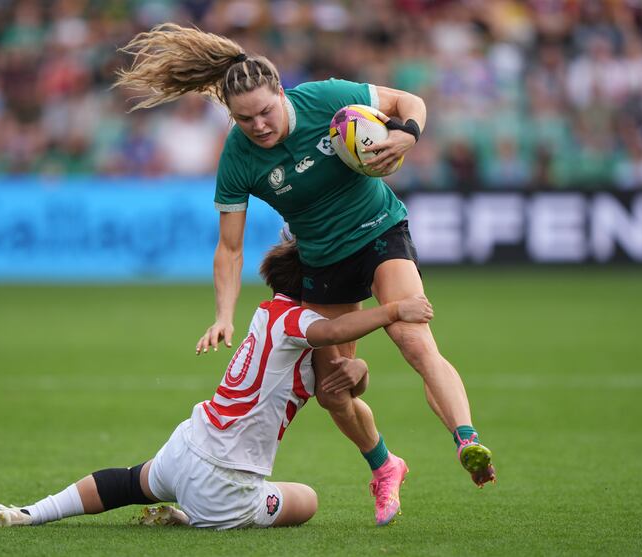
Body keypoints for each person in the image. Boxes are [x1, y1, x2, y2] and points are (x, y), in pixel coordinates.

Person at [113, 24, 495, 488]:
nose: (258, 126)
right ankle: (384, 465)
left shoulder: (324, 98)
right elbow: (230, 248)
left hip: (379, 230)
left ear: (281, 91)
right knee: (333, 389)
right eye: (244, 119)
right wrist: (223, 315)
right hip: (321, 258)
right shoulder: (237, 157)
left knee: (412, 338)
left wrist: (408, 135)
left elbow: (407, 103)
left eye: (264, 112)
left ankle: (466, 439)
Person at [0, 241, 434, 530]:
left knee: (127, 482)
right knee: (308, 501)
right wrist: (395, 310)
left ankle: (33, 512)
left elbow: (334, 375)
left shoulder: (267, 313)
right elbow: (334, 333)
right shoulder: (298, 321)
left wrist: (361, 372)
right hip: (228, 485)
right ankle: (191, 515)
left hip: (186, 446)